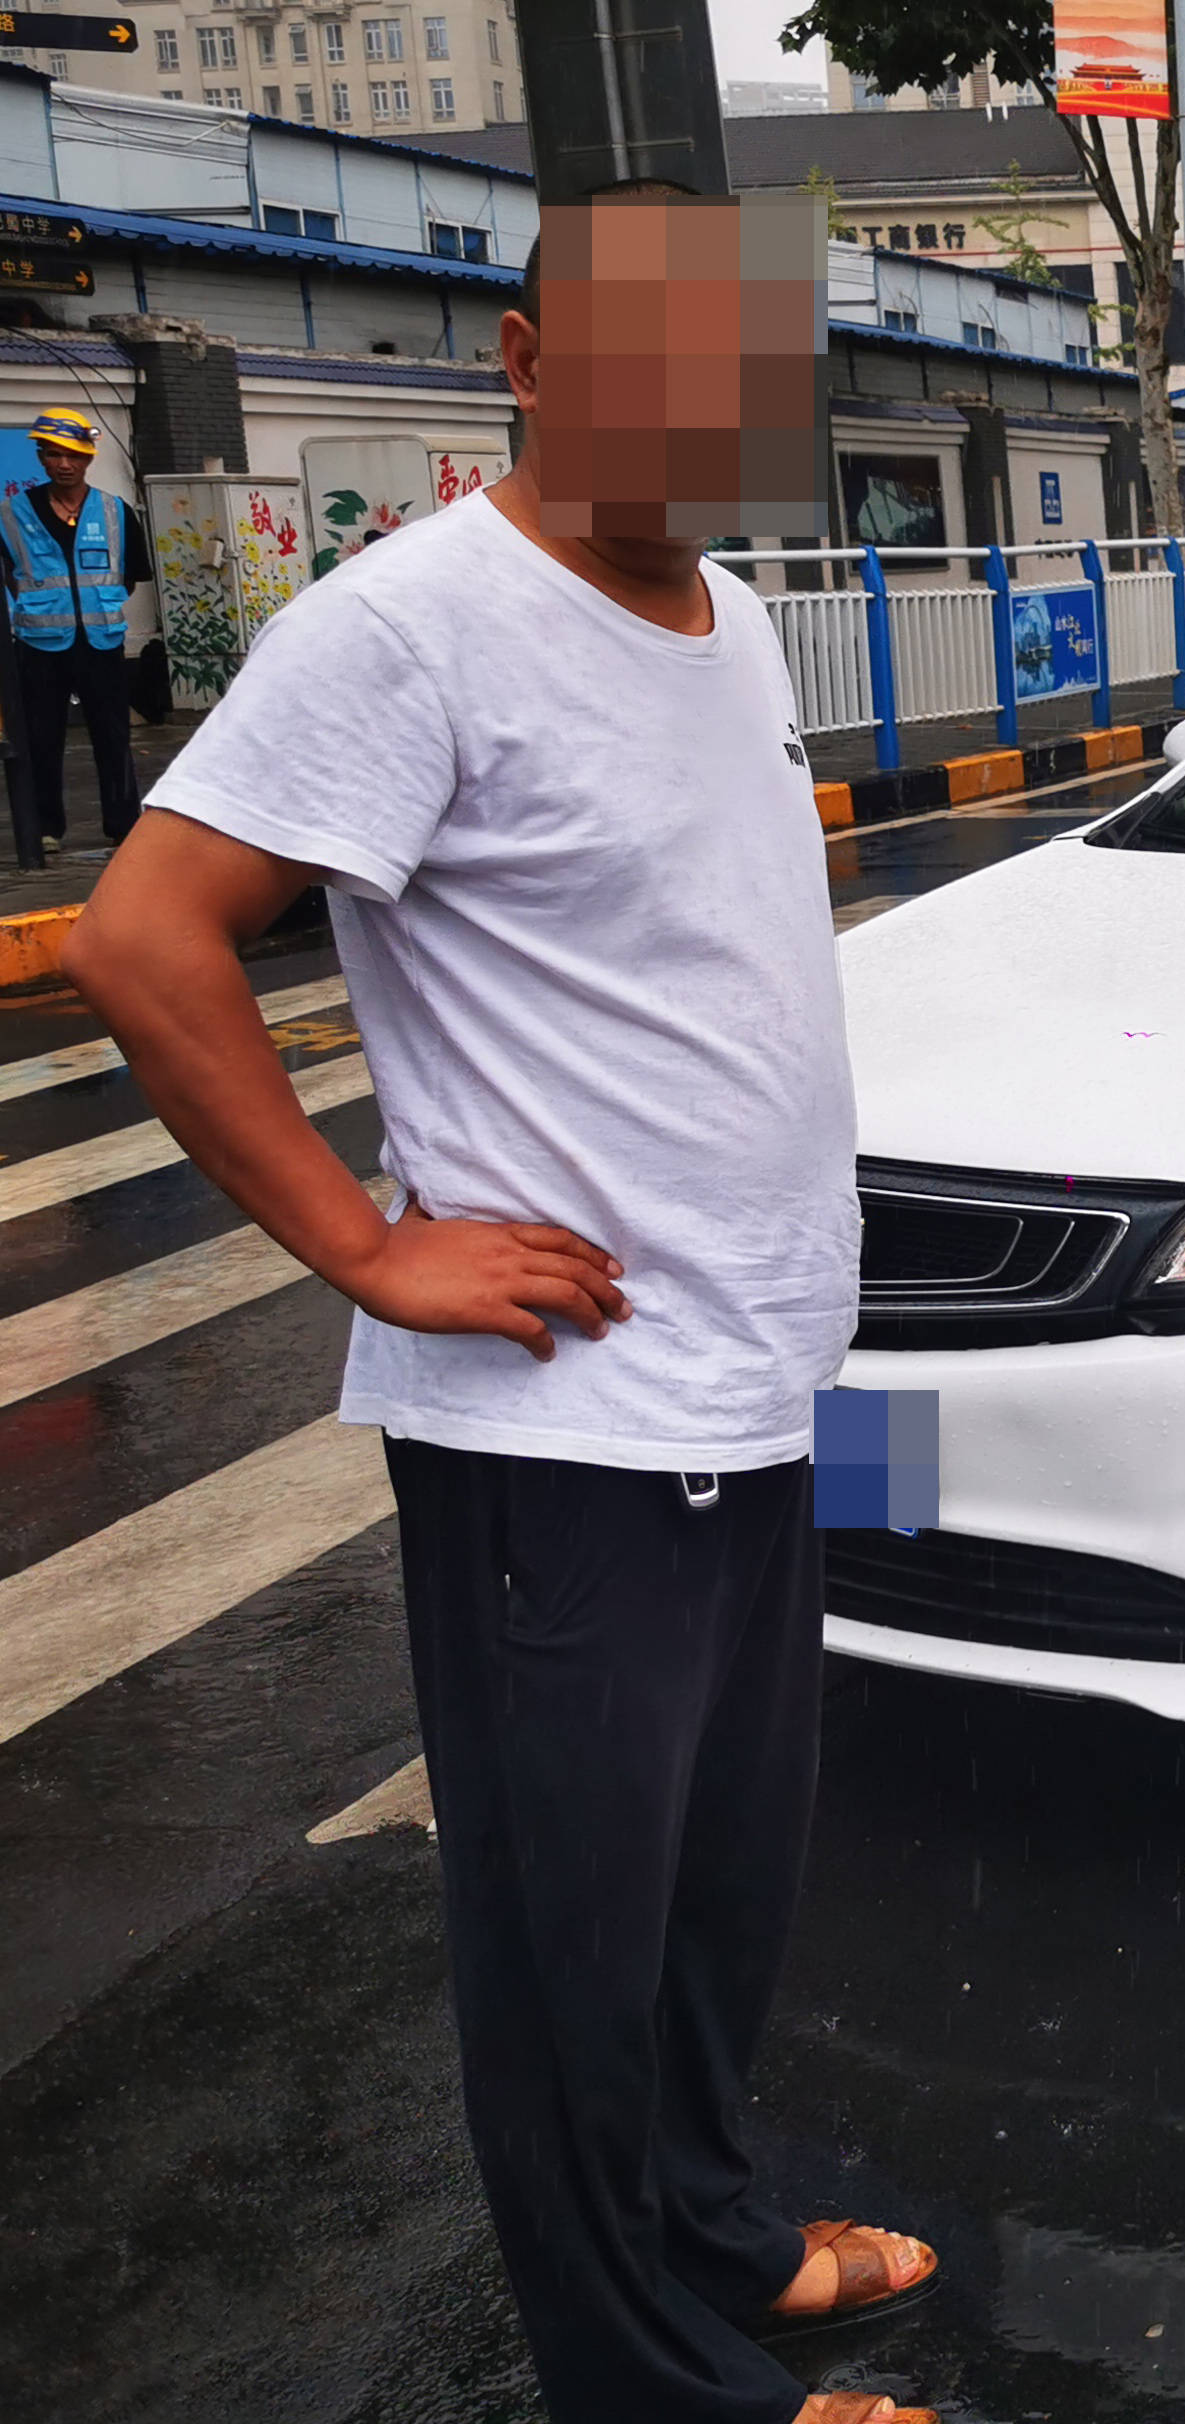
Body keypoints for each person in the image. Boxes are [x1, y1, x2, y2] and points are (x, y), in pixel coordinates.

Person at [65, 204, 939, 2424]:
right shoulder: (415, 629)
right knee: (571, 1948)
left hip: (753, 1385)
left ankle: (719, 2235)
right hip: (561, 1427)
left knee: (722, 1895)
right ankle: (647, 2384)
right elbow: (144, 941)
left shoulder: (735, 615)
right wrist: (367, 1252)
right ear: (530, 362)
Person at [7, 405, 152, 857]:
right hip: (38, 645)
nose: (64, 464)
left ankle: (123, 824)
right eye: (54, 454)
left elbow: (130, 576)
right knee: (39, 738)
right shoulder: (10, 515)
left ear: (89, 457)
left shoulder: (115, 512)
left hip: (102, 641)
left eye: (74, 454)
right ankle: (46, 828)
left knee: (112, 735)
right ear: (41, 458)